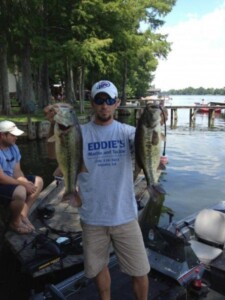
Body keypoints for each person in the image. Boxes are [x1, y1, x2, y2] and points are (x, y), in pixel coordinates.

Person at [76, 80, 150, 300]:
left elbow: (147, 146)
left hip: (125, 215)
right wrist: (55, 125)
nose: (104, 105)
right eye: (99, 100)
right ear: (92, 103)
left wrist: (157, 159)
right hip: (92, 217)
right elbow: (54, 154)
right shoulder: (79, 133)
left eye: (109, 100)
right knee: (99, 268)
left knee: (141, 270)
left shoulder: (129, 133)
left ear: (117, 103)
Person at [0, 121, 43, 234]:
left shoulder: (13, 147)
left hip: (9, 180)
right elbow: (1, 178)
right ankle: (14, 222)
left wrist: (25, 182)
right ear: (2, 135)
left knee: (38, 181)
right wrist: (23, 185)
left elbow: (17, 171)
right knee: (21, 191)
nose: (16, 138)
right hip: (1, 182)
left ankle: (23, 214)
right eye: (13, 135)